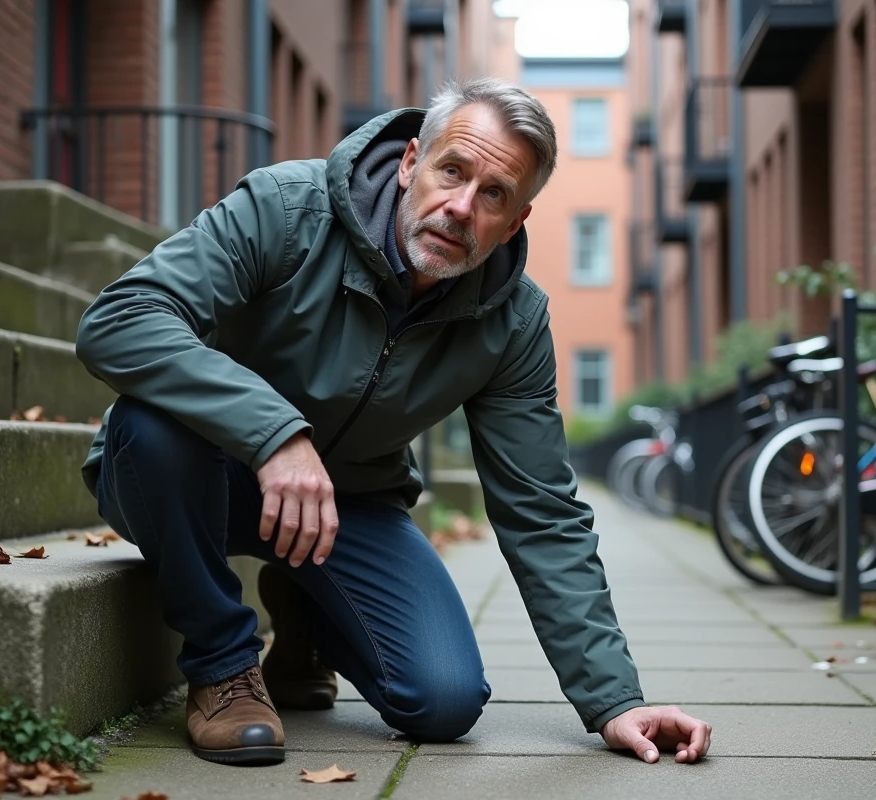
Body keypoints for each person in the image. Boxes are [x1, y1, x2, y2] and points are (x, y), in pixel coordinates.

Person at [76, 76, 711, 767]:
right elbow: (121, 320)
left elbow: (542, 511)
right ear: (411, 162)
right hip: (194, 471)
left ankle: (304, 611)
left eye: (494, 195)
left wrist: (615, 699)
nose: (461, 207)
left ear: (515, 222)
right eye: (451, 171)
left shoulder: (513, 320)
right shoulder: (287, 208)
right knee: (151, 422)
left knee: (444, 701)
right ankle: (223, 666)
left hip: (350, 502)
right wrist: (274, 433)